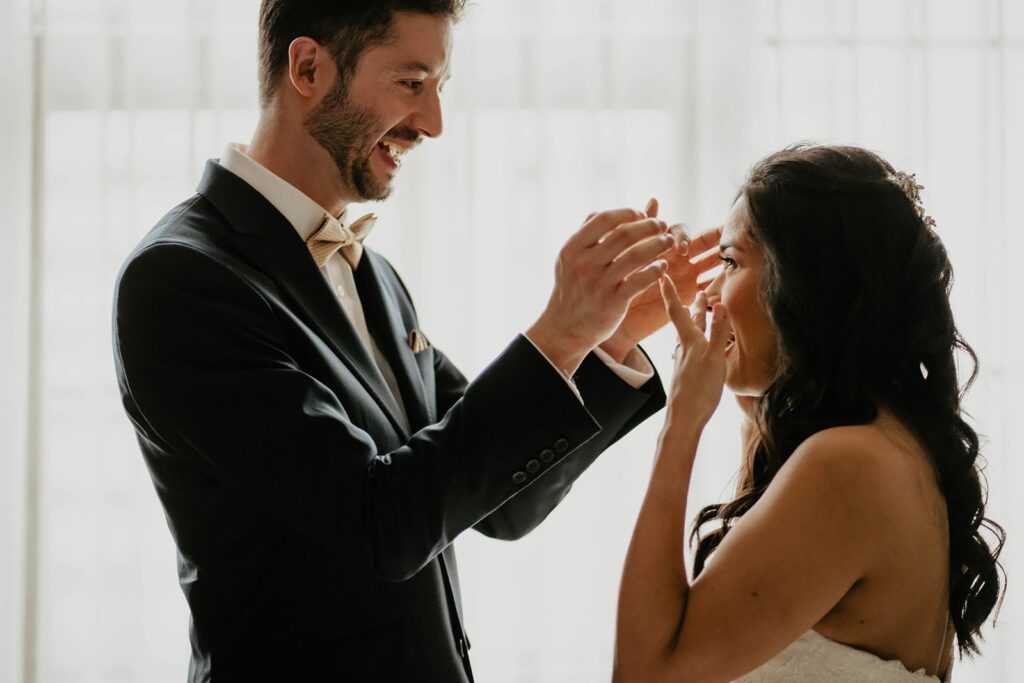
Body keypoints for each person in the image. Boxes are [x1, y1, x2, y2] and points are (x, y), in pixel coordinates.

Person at [111, 1, 720, 681]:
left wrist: (605, 340)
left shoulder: (375, 277)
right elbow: (379, 523)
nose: (432, 122)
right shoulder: (181, 277)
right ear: (308, 67)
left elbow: (503, 504)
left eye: (439, 88)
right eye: (411, 82)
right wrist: (559, 331)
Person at [613, 144, 1005, 682]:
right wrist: (750, 396)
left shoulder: (848, 465)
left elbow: (642, 675)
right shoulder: (886, 445)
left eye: (729, 262)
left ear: (803, 282)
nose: (707, 290)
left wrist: (680, 423)